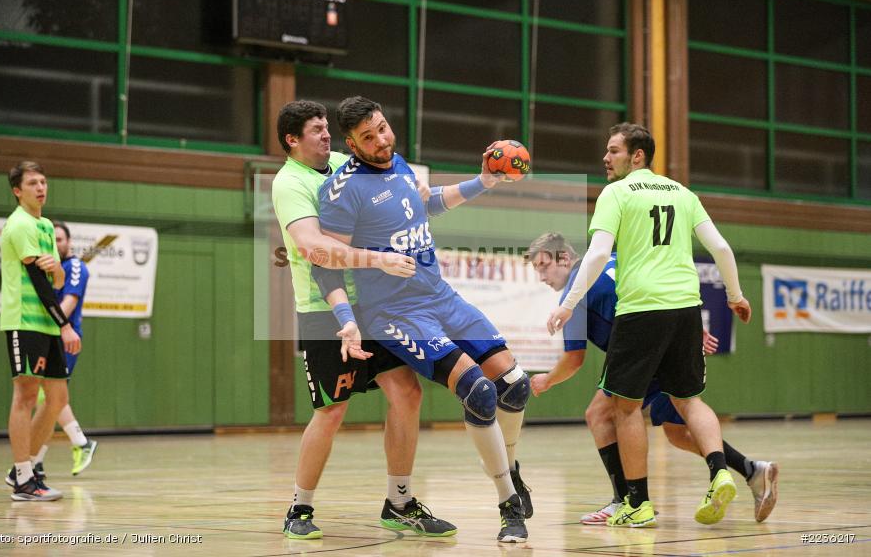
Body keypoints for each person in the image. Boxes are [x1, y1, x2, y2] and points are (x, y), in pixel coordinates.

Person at [316, 96, 533, 543]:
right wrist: (349, 313)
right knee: (478, 391)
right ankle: (508, 503)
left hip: (441, 297)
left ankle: (510, 466)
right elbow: (326, 262)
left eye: (382, 128)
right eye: (368, 137)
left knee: (515, 383)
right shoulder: (341, 190)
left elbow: (426, 204)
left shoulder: (398, 164)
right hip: (395, 314)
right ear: (351, 144)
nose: (381, 140)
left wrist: (483, 182)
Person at [547, 123, 752, 528]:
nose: (606, 159)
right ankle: (719, 471)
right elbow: (722, 248)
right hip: (687, 308)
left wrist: (569, 304)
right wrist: (735, 295)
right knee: (689, 400)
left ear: (636, 156)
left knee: (625, 409)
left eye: (613, 151)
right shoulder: (682, 192)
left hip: (641, 309)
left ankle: (637, 504)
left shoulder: (616, 193)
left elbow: (596, 255)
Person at [271, 100, 456, 540]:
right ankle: (300, 506)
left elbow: (398, 185)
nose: (325, 135)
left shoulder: (345, 163)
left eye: (326, 128)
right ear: (292, 140)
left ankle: (400, 502)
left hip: (378, 305)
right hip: (326, 311)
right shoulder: (289, 184)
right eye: (315, 130)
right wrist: (380, 259)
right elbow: (315, 249)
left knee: (407, 394)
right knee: (332, 411)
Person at [528, 232, 778, 524]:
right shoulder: (618, 259)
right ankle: (752, 471)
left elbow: (574, 359)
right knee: (677, 428)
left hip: (639, 346)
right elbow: (664, 281)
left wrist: (547, 380)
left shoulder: (576, 289)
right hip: (677, 324)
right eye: (537, 269)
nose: (542, 275)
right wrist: (691, 326)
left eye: (544, 266)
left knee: (598, 414)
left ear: (566, 258)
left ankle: (627, 500)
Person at [0, 161, 81, 501]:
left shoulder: (46, 226)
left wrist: (58, 274)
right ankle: (23, 479)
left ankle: (25, 469)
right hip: (25, 321)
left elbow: (57, 279)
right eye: (32, 183)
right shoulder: (19, 225)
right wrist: (65, 325)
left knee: (58, 399)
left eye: (43, 181)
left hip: (46, 324)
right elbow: (38, 281)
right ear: (18, 191)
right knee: (27, 396)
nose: (40, 187)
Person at [32, 222, 98, 475]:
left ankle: (79, 443)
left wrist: (55, 325)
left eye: (60, 239)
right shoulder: (51, 269)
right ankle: (37, 461)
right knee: (45, 402)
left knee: (52, 399)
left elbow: (68, 304)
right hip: (50, 338)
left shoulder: (76, 267)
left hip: (65, 340)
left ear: (69, 242)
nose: (56, 244)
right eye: (52, 240)